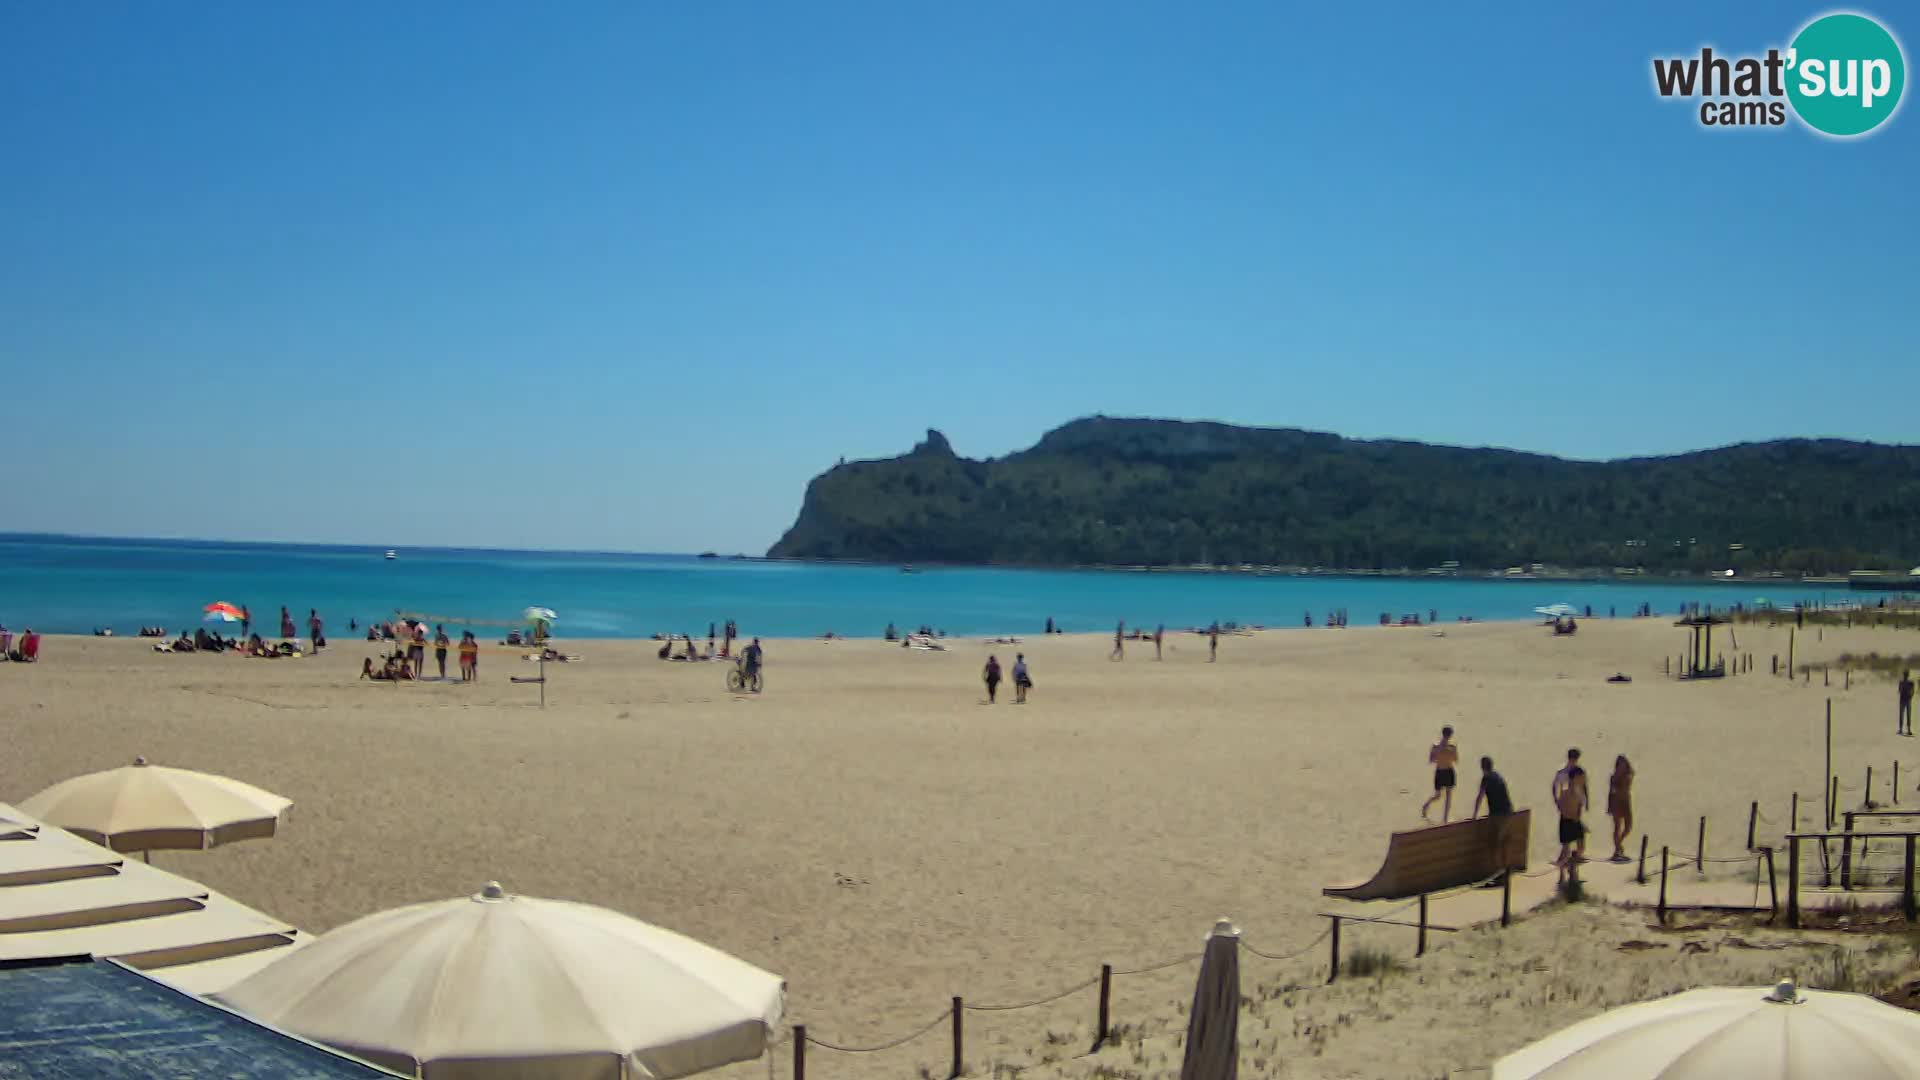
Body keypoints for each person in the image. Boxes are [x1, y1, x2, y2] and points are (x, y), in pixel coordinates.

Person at [1552, 749, 1589, 883]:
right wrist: (1560, 805)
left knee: (1580, 845)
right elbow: (1562, 803)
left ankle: (1571, 869)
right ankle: (1562, 873)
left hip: (1574, 819)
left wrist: (1580, 815)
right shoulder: (1565, 786)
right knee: (1566, 848)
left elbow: (1583, 797)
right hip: (1567, 819)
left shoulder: (1578, 792)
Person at [1421, 727, 1460, 822]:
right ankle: (1426, 805)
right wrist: (1439, 751)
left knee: (1448, 796)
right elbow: (1431, 760)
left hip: (1449, 771)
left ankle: (1445, 819)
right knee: (1438, 796)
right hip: (1440, 771)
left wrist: (1451, 752)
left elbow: (1456, 760)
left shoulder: (1452, 746)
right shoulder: (1435, 746)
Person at [1607, 755, 1635, 862]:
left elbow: (1630, 781)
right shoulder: (1614, 777)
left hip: (1626, 802)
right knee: (1617, 826)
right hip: (1616, 802)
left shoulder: (1628, 775)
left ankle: (1619, 845)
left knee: (1628, 827)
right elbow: (1612, 792)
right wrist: (1610, 806)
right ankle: (1617, 849)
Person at [1899, 670, 1914, 736]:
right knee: (1907, 715)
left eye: (1905, 674)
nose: (1905, 676)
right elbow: (1912, 691)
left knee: (1903, 715)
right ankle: (1907, 729)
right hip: (1907, 700)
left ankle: (1902, 729)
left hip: (1904, 700)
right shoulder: (1910, 682)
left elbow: (1900, 690)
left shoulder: (1902, 682)